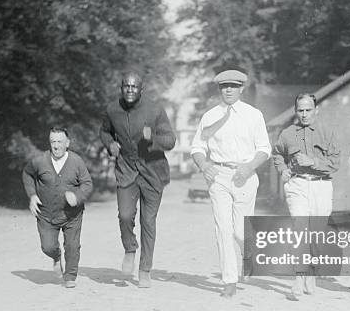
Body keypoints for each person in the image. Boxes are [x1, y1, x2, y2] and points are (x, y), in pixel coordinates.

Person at [191, 67, 271, 298]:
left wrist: (249, 167)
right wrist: (204, 165)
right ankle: (229, 280)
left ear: (241, 89)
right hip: (219, 176)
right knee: (223, 229)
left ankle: (250, 254)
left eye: (233, 86)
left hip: (245, 175)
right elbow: (198, 146)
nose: (228, 90)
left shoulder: (253, 115)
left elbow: (264, 148)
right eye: (224, 86)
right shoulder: (210, 116)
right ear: (219, 89)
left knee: (240, 231)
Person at [100, 71, 176, 288]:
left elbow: (171, 140)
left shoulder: (155, 109)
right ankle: (130, 249)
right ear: (121, 88)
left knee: (148, 222)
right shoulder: (112, 109)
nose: (130, 90)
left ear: (141, 89)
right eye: (126, 86)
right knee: (125, 216)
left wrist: (153, 137)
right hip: (126, 170)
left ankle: (145, 270)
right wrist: (110, 144)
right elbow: (104, 132)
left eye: (134, 87)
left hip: (153, 172)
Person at [272, 94, 340, 295]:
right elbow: (277, 154)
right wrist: (282, 169)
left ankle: (310, 274)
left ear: (316, 110)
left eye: (308, 110)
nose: (304, 114)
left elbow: (335, 163)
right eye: (300, 110)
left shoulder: (327, 132)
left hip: (321, 185)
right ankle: (298, 278)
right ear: (295, 111)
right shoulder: (287, 134)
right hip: (298, 185)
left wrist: (313, 162)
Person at [22, 127, 93, 288]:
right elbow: (27, 174)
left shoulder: (76, 161)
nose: (56, 146)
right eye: (53, 141)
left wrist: (77, 196)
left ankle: (70, 276)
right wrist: (32, 195)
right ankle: (56, 256)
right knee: (47, 247)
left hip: (72, 215)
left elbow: (87, 183)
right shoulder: (40, 161)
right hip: (46, 214)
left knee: (72, 246)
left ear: (67, 143)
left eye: (60, 141)